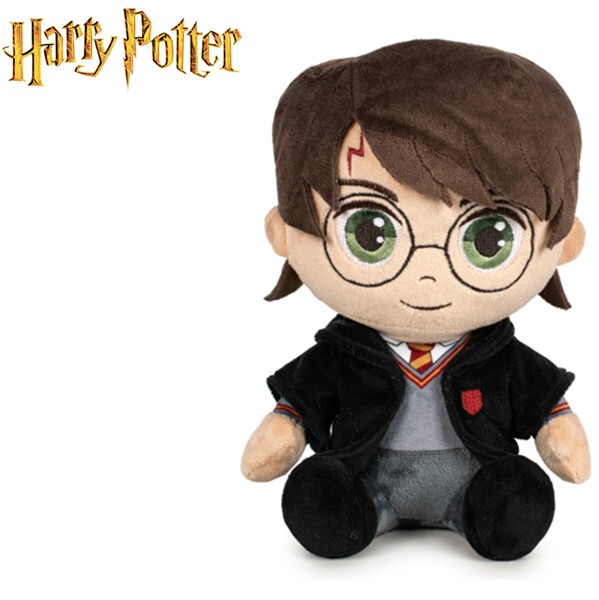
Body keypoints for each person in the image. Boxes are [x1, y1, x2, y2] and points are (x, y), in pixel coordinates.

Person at [241, 40, 590, 560]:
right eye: (369, 232)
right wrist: (285, 429)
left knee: (514, 501)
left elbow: (543, 407)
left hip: (476, 482)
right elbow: (303, 402)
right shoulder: (344, 352)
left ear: (565, 242)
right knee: (322, 499)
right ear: (283, 233)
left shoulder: (499, 356)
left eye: (488, 238)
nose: (427, 275)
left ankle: (485, 512)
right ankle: (354, 511)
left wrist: (557, 431)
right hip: (365, 479)